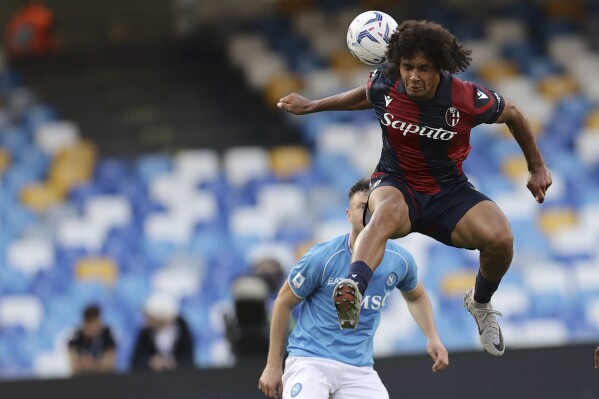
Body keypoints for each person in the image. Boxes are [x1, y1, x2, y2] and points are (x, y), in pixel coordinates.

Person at [276, 20, 552, 357]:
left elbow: (513, 112)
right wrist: (313, 105)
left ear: (440, 68)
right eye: (408, 67)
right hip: (396, 183)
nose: (413, 77)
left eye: (423, 68)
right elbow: (364, 96)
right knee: (386, 211)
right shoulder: (386, 83)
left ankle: (480, 303)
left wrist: (536, 166)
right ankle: (353, 289)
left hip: (449, 192)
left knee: (501, 238)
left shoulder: (465, 98)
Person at [258, 178, 448, 399]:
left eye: (375, 207)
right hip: (311, 360)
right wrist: (273, 365)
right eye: (361, 207)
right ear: (348, 215)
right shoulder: (323, 257)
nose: (368, 212)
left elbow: (416, 296)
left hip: (358, 368)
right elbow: (283, 302)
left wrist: (431, 336)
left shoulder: (400, 261)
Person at [130, 292, 194, 371]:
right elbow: (136, 360)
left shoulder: (182, 329)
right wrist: (151, 362)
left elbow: (188, 358)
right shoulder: (145, 332)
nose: (147, 320)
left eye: (151, 317)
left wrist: (173, 363)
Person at [67, 304, 117, 375]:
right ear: (84, 324)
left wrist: (91, 365)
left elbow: (108, 366)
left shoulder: (107, 335)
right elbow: (75, 368)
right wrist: (98, 365)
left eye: (95, 322)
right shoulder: (76, 337)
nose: (93, 327)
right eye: (90, 323)